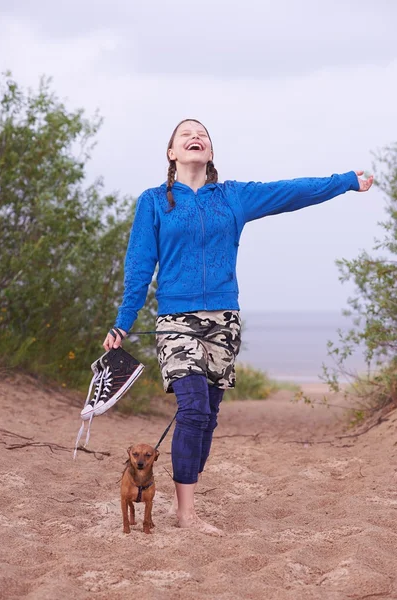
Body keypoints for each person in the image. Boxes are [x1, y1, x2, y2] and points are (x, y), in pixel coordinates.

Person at [103, 119, 374, 534]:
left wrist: (345, 181)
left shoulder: (233, 197)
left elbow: (292, 191)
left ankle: (185, 500)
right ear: (172, 153)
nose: (196, 138)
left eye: (203, 135)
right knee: (191, 408)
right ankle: (185, 513)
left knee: (208, 416)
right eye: (185, 135)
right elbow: (139, 266)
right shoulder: (155, 201)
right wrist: (123, 323)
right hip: (176, 320)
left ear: (210, 152)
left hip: (223, 322)